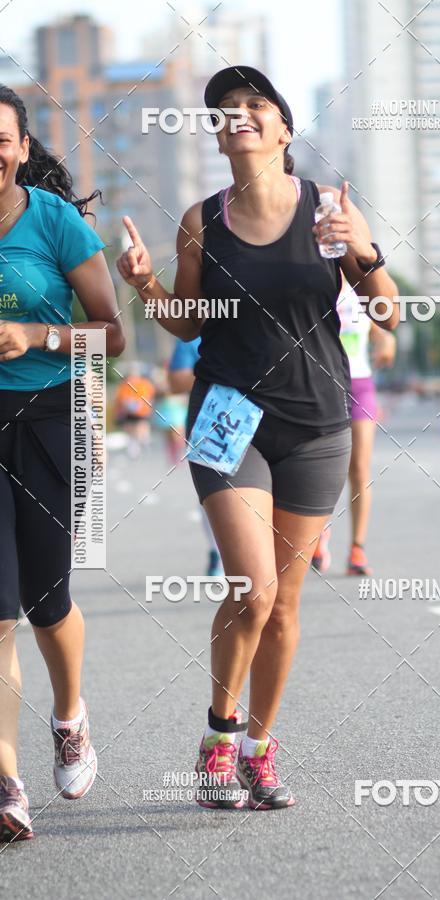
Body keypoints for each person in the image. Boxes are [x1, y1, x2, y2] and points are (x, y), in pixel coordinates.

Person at [117, 65, 398, 810]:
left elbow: (391, 311)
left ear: (283, 129)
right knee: (253, 588)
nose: (236, 115)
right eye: (224, 109)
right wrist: (145, 286)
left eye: (253, 105)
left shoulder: (331, 209)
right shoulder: (201, 220)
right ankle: (218, 735)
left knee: (285, 604)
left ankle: (259, 747)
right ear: (216, 134)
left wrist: (355, 256)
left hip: (316, 424)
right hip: (226, 417)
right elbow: (188, 319)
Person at [0, 85, 125, 842]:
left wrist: (34, 337)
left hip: (50, 417)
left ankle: (70, 713)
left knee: (47, 599)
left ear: (18, 147)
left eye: (0, 138)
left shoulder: (56, 223)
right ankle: (6, 781)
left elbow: (110, 336)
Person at [312, 277, 397, 575]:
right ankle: (318, 532)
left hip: (359, 384)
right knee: (323, 466)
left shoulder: (364, 285)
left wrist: (387, 342)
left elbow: (381, 330)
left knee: (359, 468)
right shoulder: (315, 276)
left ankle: (357, 549)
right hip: (321, 384)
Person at [168, 336, 223, 576]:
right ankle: (217, 552)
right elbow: (175, 380)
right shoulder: (194, 333)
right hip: (211, 424)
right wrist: (227, 373)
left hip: (267, 420)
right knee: (216, 496)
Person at [113, 362, 155, 458]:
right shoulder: (125, 385)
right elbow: (120, 398)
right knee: (132, 429)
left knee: (141, 427)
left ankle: (142, 443)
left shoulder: (143, 383)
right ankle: (136, 446)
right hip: (130, 411)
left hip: (141, 410)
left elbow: (149, 395)